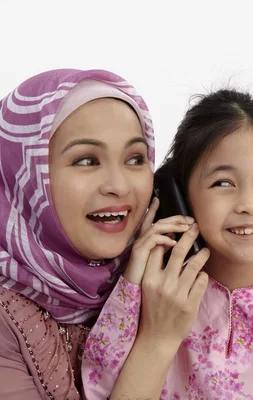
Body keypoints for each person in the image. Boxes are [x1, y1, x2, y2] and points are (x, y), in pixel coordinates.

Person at [82, 89, 253, 399]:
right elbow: (99, 389)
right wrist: (133, 285)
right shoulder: (151, 289)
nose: (250, 204)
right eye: (223, 183)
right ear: (182, 198)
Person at [0, 68, 158, 399]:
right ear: (26, 177)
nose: (119, 185)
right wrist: (155, 343)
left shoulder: (154, 284)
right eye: (86, 161)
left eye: (135, 158)